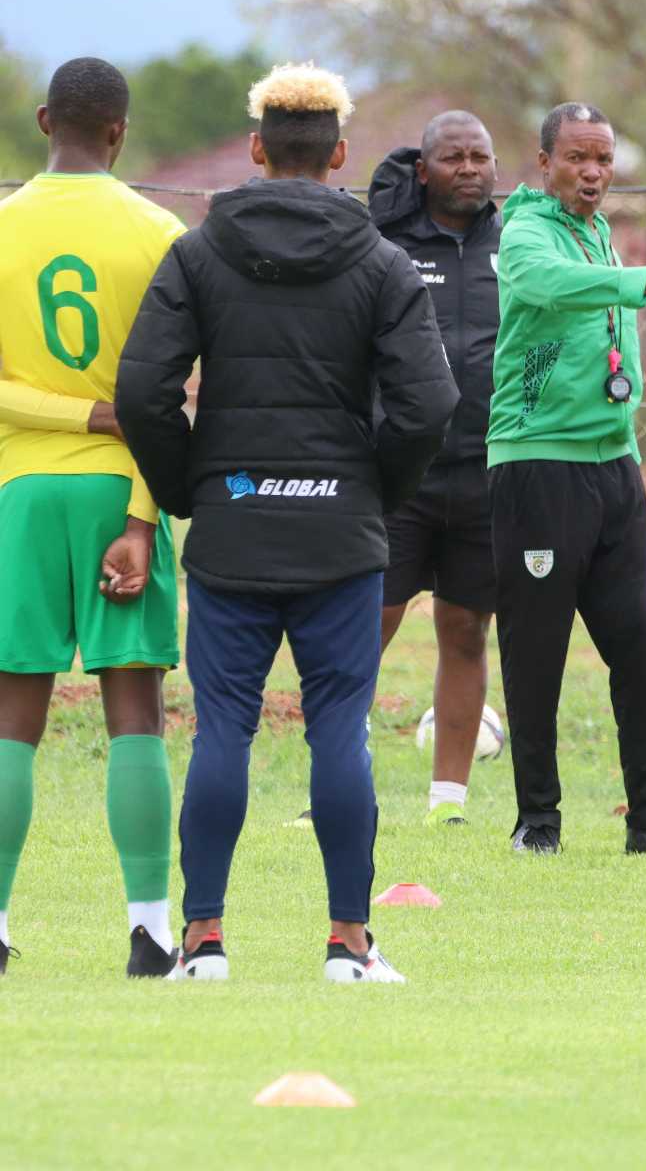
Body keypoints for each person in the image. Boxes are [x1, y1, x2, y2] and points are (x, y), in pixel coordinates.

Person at [117, 63, 457, 983]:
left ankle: (203, 942)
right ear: (340, 154)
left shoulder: (197, 252)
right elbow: (428, 405)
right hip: (340, 534)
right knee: (338, 731)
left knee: (220, 730)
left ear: (259, 150)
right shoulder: (385, 263)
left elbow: (144, 391)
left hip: (231, 529)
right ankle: (349, 945)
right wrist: (371, 487)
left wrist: (192, 485)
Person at [489, 102, 646, 857]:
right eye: (576, 158)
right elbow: (548, 285)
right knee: (536, 652)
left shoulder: (596, 226)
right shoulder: (529, 230)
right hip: (539, 462)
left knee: (639, 646)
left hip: (613, 463)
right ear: (544, 164)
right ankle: (537, 821)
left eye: (602, 159)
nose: (592, 173)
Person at [0, 57, 186, 978]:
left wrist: (68, 416)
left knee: (9, 718)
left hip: (19, 495)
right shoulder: (159, 231)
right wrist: (145, 517)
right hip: (125, 490)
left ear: (43, 121)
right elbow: (171, 391)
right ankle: (151, 932)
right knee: (135, 711)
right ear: (120, 129)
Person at [362, 110, 502, 827]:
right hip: (398, 473)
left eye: (481, 156)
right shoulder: (381, 242)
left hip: (485, 471)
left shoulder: (516, 243)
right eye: (454, 157)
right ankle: (338, 787)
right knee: (368, 623)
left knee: (464, 630)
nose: (470, 169)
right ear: (424, 169)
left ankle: (448, 803)